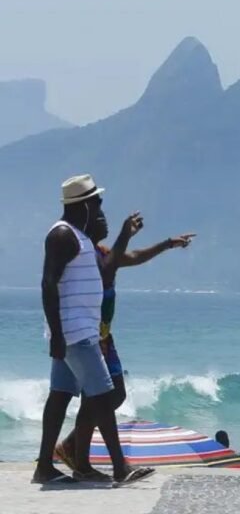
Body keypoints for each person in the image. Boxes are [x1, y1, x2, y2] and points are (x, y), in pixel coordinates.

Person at [33, 175, 152, 485]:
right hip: (75, 334)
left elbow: (109, 266)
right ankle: (120, 467)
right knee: (102, 395)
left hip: (77, 331)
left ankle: (44, 466)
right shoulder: (62, 236)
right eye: (96, 202)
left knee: (59, 397)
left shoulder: (79, 238)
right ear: (82, 205)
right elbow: (48, 283)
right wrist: (57, 334)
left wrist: (125, 236)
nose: (100, 207)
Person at [55, 209, 194, 474]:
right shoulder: (87, 257)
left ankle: (74, 452)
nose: (104, 220)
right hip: (90, 334)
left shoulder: (103, 251)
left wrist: (167, 244)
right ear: (88, 225)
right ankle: (81, 457)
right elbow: (106, 273)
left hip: (104, 336)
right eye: (100, 218)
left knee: (106, 396)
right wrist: (125, 234)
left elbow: (131, 257)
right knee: (105, 395)